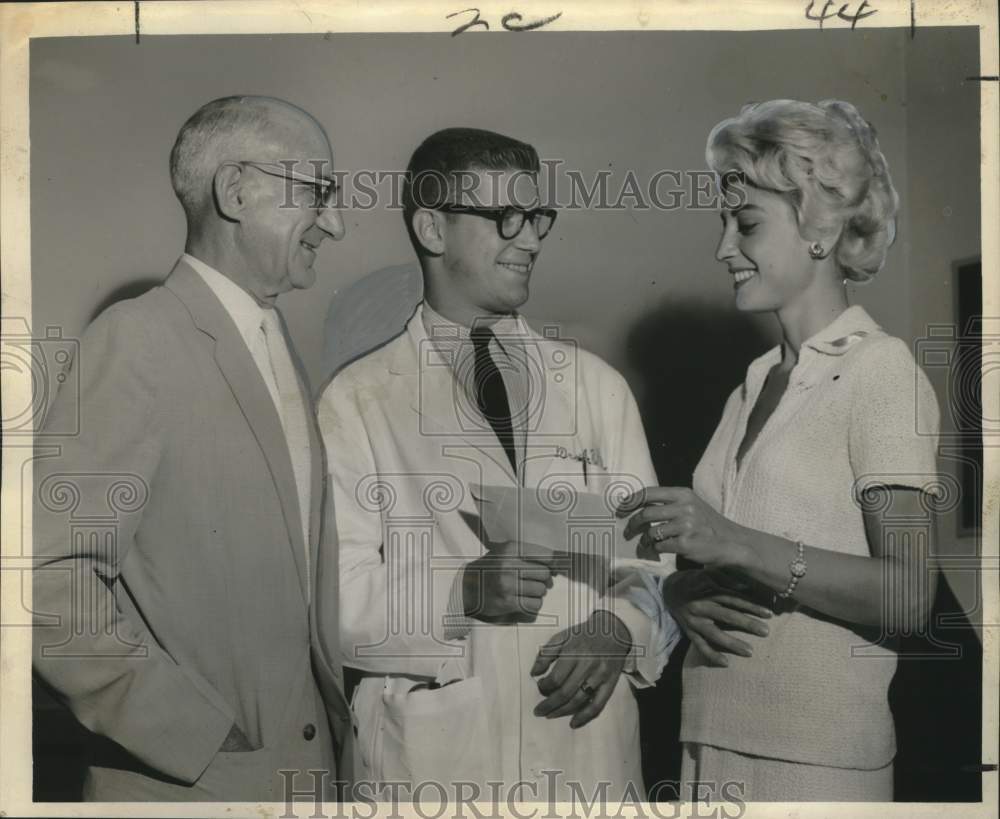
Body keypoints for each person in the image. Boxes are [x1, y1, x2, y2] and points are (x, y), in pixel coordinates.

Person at [317, 127, 680, 801]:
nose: (533, 238)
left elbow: (655, 565)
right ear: (432, 228)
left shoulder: (596, 386)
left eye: (538, 217)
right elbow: (333, 605)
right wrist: (462, 591)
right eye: (505, 218)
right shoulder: (356, 399)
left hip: (583, 762)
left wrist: (620, 629)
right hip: (433, 768)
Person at [32, 95, 351, 801]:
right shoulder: (136, 337)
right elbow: (43, 579)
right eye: (319, 191)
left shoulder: (277, 343)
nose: (336, 221)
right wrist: (191, 731)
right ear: (237, 191)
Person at [621, 99, 942, 801]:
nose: (722, 249)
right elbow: (720, 562)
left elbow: (911, 594)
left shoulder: (880, 372)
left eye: (746, 224)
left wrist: (735, 543)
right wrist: (680, 589)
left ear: (820, 227)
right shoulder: (752, 385)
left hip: (816, 765)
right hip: (707, 743)